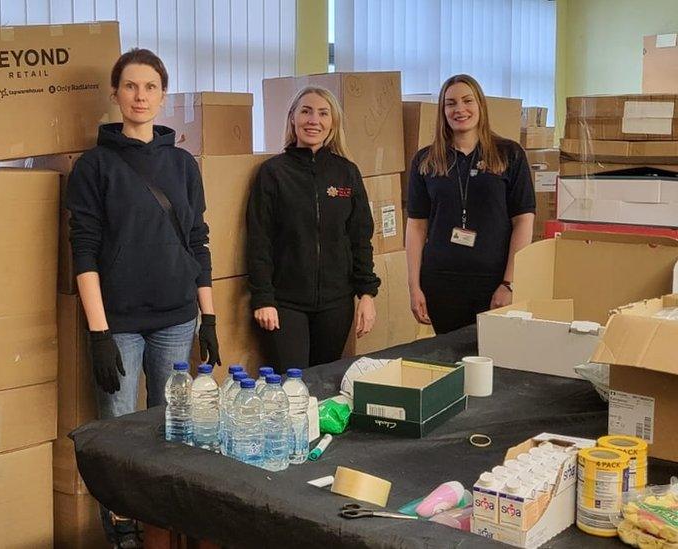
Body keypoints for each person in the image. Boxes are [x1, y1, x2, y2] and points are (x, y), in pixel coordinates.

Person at [65, 48, 220, 547]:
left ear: (163, 95)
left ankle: (167, 526)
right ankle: (125, 534)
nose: (140, 96)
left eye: (150, 87)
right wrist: (99, 333)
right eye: (130, 86)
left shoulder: (182, 163)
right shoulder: (94, 166)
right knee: (121, 434)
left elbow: (198, 240)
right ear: (115, 94)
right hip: (121, 325)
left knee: (174, 428)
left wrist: (209, 317)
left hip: (177, 318)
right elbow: (83, 251)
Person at [247, 86, 380, 371]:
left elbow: (360, 238)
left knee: (324, 383)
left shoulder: (347, 172)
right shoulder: (273, 173)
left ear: (333, 123)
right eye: (305, 111)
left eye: (323, 113)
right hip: (285, 304)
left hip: (336, 303)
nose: (313, 120)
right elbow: (259, 240)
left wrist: (367, 295)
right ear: (292, 118)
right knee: (292, 386)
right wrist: (263, 298)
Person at [405, 74, 535, 334]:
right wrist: (414, 287)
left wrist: (509, 283)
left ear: (481, 106)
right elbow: (416, 226)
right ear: (443, 111)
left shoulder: (509, 154)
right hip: (441, 282)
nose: (459, 109)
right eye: (451, 103)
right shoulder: (426, 160)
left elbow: (523, 221)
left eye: (467, 101)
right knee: (450, 361)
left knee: (494, 361)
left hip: (493, 282)